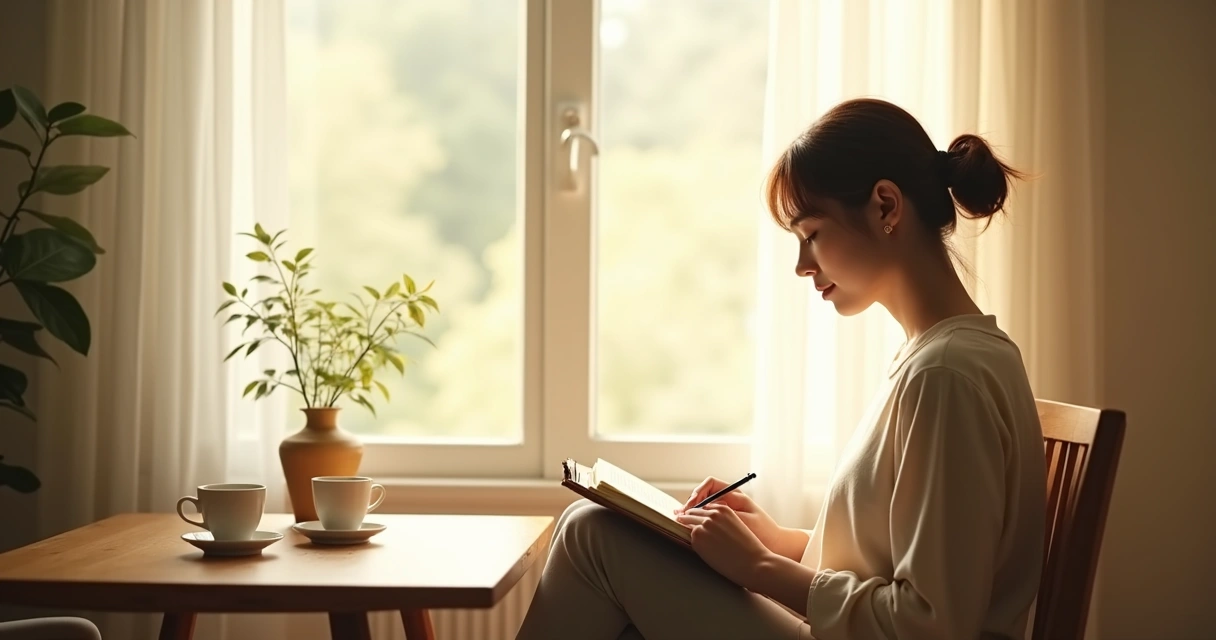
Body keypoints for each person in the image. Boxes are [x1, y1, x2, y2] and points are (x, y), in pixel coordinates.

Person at [515, 98, 1047, 640]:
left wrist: (760, 567)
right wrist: (774, 541)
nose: (801, 265)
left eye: (811, 234)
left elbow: (931, 624)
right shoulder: (946, 359)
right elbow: (887, 560)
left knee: (591, 535)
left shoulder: (946, 375)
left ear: (886, 206)